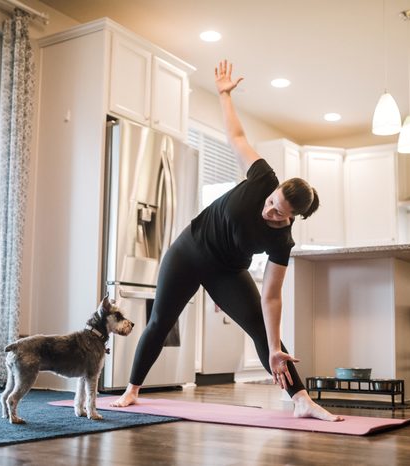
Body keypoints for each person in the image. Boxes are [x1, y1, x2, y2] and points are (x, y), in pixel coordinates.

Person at [111, 60, 343, 422]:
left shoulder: (283, 243)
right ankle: (132, 390)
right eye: (272, 202)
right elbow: (236, 137)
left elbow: (271, 296)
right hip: (188, 251)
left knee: (261, 331)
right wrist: (224, 94)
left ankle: (301, 399)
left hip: (227, 271)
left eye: (280, 213)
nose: (270, 211)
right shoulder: (263, 175)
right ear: (274, 189)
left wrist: (274, 345)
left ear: (293, 218)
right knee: (160, 321)